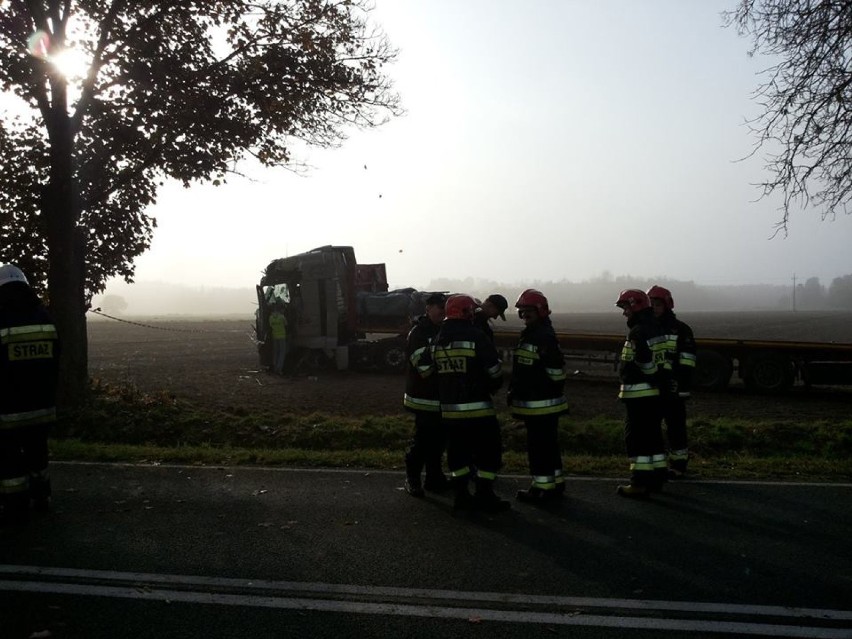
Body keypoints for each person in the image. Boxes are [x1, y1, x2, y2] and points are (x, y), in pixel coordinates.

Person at [430, 294, 510, 512]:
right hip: (478, 410)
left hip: (450, 413)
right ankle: (485, 494)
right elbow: (494, 371)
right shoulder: (477, 336)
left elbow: (433, 373)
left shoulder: (438, 340)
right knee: (489, 452)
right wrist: (491, 386)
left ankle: (461, 496)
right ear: (466, 313)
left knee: (457, 455)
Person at [0, 264, 60, 520]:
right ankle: (42, 496)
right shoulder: (43, 317)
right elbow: (57, 359)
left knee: (9, 457)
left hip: (8, 409)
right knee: (38, 452)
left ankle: (16, 503)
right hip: (42, 406)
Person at [508, 289, 569, 504]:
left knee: (539, 448)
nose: (524, 315)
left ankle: (541, 489)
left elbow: (554, 372)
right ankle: (555, 483)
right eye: (522, 312)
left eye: (528, 311)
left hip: (540, 403)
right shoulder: (537, 333)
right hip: (542, 402)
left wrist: (533, 387)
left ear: (541, 311)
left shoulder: (541, 336)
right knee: (548, 445)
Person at [614, 289, 667, 498]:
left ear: (635, 307)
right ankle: (657, 478)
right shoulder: (655, 328)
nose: (624, 313)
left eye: (626, 308)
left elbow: (644, 361)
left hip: (639, 395)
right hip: (654, 395)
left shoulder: (638, 331)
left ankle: (639, 482)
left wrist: (649, 376)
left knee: (637, 438)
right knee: (653, 436)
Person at [647, 285, 697, 478]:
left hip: (673, 388)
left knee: (676, 427)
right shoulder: (646, 329)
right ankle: (657, 465)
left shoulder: (681, 329)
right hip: (653, 387)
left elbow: (687, 360)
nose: (654, 308)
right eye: (651, 304)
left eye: (657, 304)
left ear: (667, 305)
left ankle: (679, 465)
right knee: (652, 428)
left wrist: (682, 386)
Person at [402, 293, 449, 497]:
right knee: (422, 441)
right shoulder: (418, 333)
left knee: (438, 442)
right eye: (439, 307)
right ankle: (412, 479)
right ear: (428, 308)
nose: (443, 312)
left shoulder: (445, 330)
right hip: (423, 398)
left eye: (446, 308)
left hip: (440, 398)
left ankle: (434, 478)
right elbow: (424, 368)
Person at [269, 303, 288, 375]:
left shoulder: (270, 318)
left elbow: (271, 326)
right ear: (280, 310)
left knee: (276, 352)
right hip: (282, 337)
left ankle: (274, 366)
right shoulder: (282, 317)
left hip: (275, 336)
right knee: (282, 353)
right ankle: (279, 368)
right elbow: (286, 324)